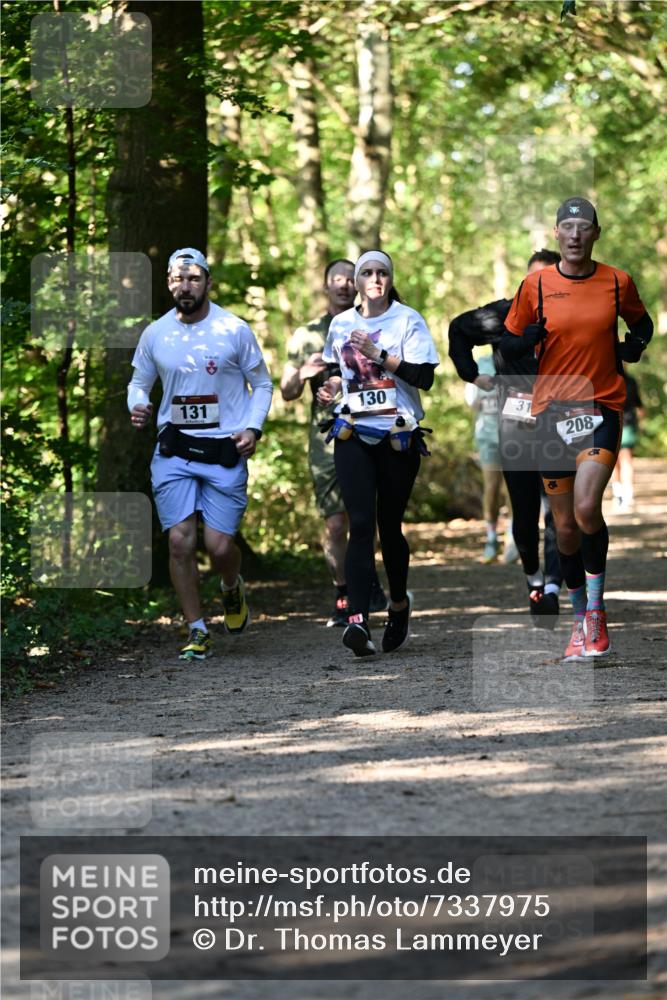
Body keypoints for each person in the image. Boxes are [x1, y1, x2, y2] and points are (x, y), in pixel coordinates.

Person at [501, 198, 653, 659]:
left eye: (582, 227)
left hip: (601, 405)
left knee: (588, 507)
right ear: (555, 234)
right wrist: (523, 341)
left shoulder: (616, 281)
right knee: (564, 528)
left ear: (595, 233)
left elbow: (642, 324)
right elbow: (508, 341)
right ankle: (577, 614)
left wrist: (635, 347)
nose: (574, 235)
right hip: (551, 415)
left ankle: (596, 614)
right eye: (566, 227)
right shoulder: (536, 285)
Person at [128, 248, 273, 660]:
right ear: (169, 284)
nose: (185, 286)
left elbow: (261, 384)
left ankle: (231, 587)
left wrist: (252, 426)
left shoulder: (233, 329)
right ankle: (196, 629)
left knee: (220, 546)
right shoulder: (156, 333)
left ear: (208, 282)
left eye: (194, 278)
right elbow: (139, 383)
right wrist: (137, 405)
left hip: (225, 447)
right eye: (178, 279)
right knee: (179, 540)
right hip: (174, 447)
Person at [317, 250, 439, 657]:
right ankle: (356, 620)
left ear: (389, 279)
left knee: (389, 526)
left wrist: (379, 355)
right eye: (366, 272)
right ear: (355, 281)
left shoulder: (408, 319)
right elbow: (334, 371)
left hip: (398, 434)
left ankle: (399, 605)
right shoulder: (341, 323)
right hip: (353, 431)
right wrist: (330, 389)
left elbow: (424, 377)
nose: (374, 278)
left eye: (381, 272)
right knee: (361, 523)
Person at [449, 249, 563, 626]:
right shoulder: (505, 313)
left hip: (561, 425)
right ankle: (533, 576)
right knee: (525, 512)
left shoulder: (573, 312)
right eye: (536, 279)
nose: (544, 286)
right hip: (517, 427)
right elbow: (458, 330)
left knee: (559, 511)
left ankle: (552, 586)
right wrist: (472, 376)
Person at [280, 259, 387, 626]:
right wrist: (303, 372)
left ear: (358, 284)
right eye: (335, 279)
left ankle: (367, 583)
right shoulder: (307, 334)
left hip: (368, 428)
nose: (343, 285)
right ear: (325, 286)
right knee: (336, 524)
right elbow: (287, 391)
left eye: (348, 278)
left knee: (365, 518)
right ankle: (343, 592)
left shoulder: (373, 324)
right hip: (325, 438)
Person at [463, 352, 512, 563]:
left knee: (511, 488)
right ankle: (491, 538)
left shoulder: (515, 360)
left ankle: (512, 537)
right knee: (491, 486)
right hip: (487, 436)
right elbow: (473, 403)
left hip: (512, 435)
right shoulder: (479, 365)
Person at [611, 372, 644, 510]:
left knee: (624, 459)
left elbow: (639, 405)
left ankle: (626, 493)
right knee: (617, 461)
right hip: (614, 423)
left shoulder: (629, 380)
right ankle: (620, 493)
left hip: (624, 424)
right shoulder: (611, 377)